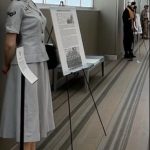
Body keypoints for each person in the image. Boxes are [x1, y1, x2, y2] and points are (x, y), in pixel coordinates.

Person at [0, 0, 55, 150]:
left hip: (39, 61)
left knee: (34, 110)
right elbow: (10, 43)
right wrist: (6, 64)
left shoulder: (31, 3)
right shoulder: (16, 5)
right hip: (26, 64)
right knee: (28, 112)